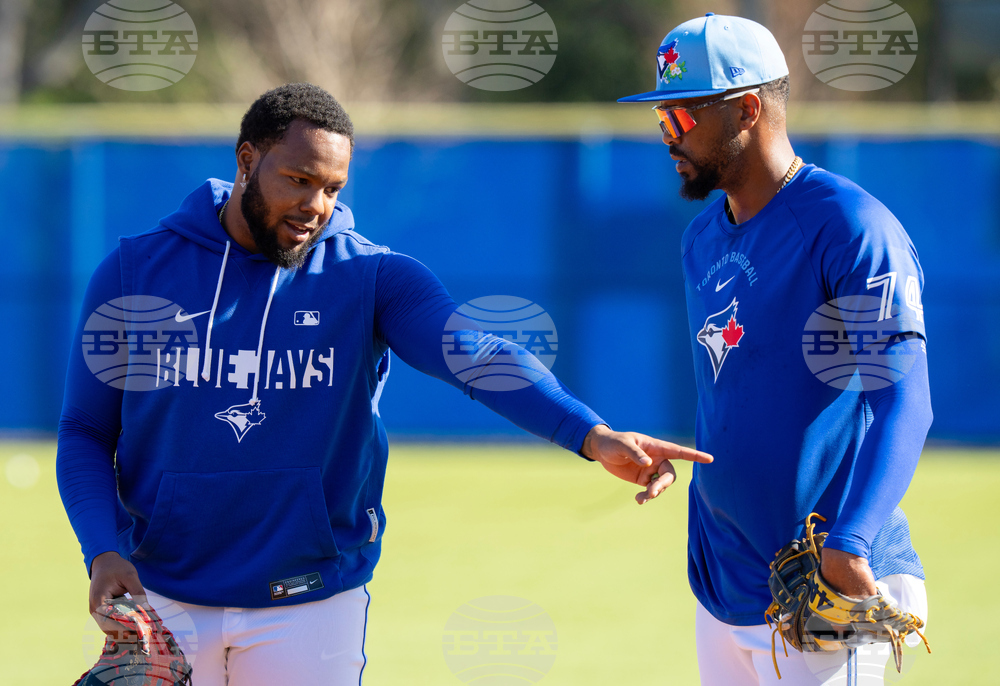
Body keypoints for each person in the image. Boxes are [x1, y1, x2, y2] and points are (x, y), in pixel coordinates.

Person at [57, 83, 711, 685]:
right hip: (161, 600)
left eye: (332, 188)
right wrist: (102, 551)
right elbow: (85, 430)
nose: (315, 206)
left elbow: (474, 354)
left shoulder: (370, 276)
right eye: (299, 180)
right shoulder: (135, 273)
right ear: (247, 159)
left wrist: (589, 434)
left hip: (311, 603)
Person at [617, 13, 932, 686]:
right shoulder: (702, 237)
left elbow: (905, 401)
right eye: (661, 116)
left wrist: (850, 544)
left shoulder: (849, 226)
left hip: (822, 581)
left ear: (747, 109)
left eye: (681, 115)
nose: (667, 134)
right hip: (725, 589)